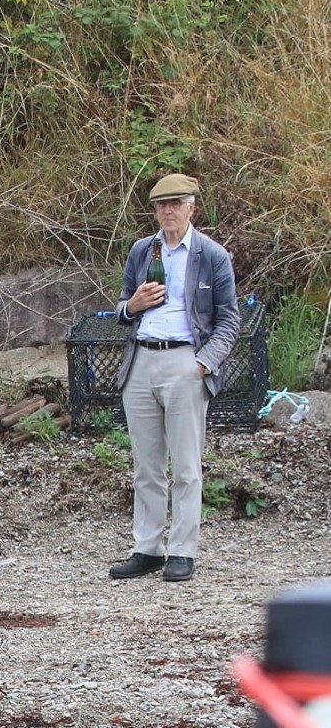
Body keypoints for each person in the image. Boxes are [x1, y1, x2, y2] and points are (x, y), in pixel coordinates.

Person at [108, 173, 239, 584]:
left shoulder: (212, 255)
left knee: (185, 465)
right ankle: (147, 548)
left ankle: (182, 550)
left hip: (185, 359)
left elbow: (229, 319)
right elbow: (122, 309)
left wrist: (203, 364)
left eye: (175, 203)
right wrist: (132, 305)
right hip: (142, 360)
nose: (167, 210)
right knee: (146, 466)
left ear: (191, 207)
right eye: (161, 204)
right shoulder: (141, 251)